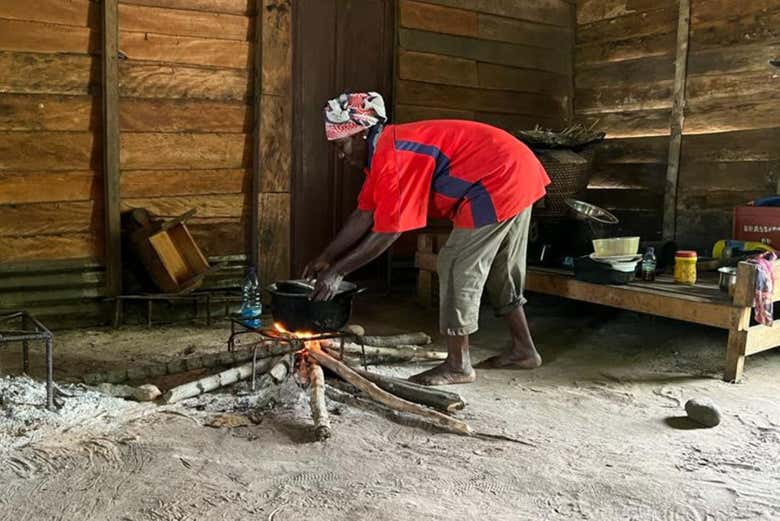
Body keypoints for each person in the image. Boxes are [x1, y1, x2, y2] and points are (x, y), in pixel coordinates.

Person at [304, 91, 550, 386]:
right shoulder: (383, 155)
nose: (341, 155)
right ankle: (524, 350)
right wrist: (327, 256)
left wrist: (338, 272)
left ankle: (458, 365)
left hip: (499, 176)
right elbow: (364, 214)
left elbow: (389, 231)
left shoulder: (393, 156)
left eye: (341, 145)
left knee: (456, 263)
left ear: (361, 134)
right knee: (500, 267)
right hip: (516, 168)